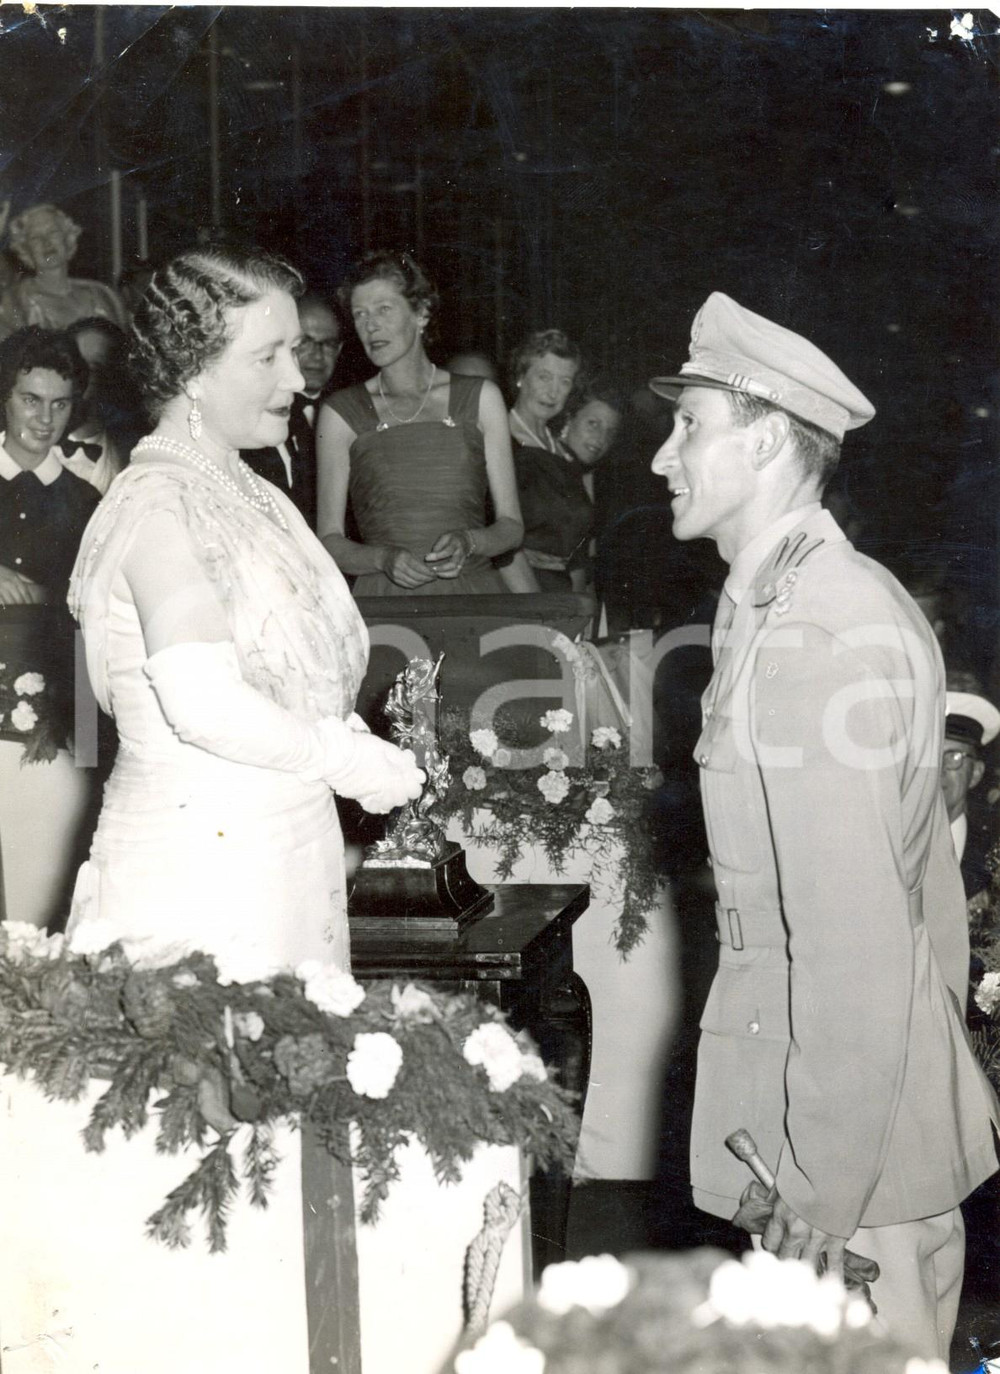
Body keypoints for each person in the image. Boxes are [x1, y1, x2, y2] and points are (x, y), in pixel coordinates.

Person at [648, 291, 998, 1359]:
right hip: (853, 1113)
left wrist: (822, 1180)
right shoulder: (791, 604)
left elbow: (850, 942)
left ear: (761, 441)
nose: (663, 457)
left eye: (688, 427)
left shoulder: (815, 632)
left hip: (841, 1152)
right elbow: (921, 912)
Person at [64, 244, 423, 973]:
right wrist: (345, 755)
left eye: (295, 350)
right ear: (194, 370)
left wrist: (352, 735)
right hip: (203, 874)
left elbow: (291, 668)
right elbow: (203, 702)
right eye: (270, 357)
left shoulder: (253, 492)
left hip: (288, 854)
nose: (297, 376)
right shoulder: (158, 505)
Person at [317, 250, 524, 595]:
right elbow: (328, 540)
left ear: (422, 313)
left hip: (473, 596)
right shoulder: (340, 412)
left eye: (384, 309)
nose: (371, 325)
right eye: (360, 314)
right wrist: (382, 559)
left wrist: (470, 541)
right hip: (385, 601)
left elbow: (512, 526)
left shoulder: (481, 397)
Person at [0, 325, 99, 926]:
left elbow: (90, 629)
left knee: (32, 918)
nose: (45, 418)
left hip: (41, 731)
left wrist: (82, 744)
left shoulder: (87, 502)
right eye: (30, 399)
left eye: (60, 404)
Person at [242, 290, 343, 528]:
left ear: (339, 350)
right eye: (305, 342)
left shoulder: (348, 409)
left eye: (327, 344)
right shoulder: (259, 412)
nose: (317, 356)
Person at [502, 328, 585, 592]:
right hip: (517, 591)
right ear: (520, 377)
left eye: (564, 381)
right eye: (544, 377)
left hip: (563, 592)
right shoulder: (499, 442)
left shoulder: (566, 455)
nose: (553, 392)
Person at [0, 203, 126, 339]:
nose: (46, 242)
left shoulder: (101, 295)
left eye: (53, 232)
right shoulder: (15, 301)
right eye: (35, 238)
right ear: (25, 248)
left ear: (67, 238)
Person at [60, 315, 144, 495]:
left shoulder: (130, 454)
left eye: (94, 369)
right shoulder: (19, 441)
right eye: (74, 365)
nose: (79, 378)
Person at [942, 672, 999, 904]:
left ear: (975, 773)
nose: (938, 771)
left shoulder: (993, 857)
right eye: (927, 756)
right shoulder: (883, 847)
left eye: (953, 756)